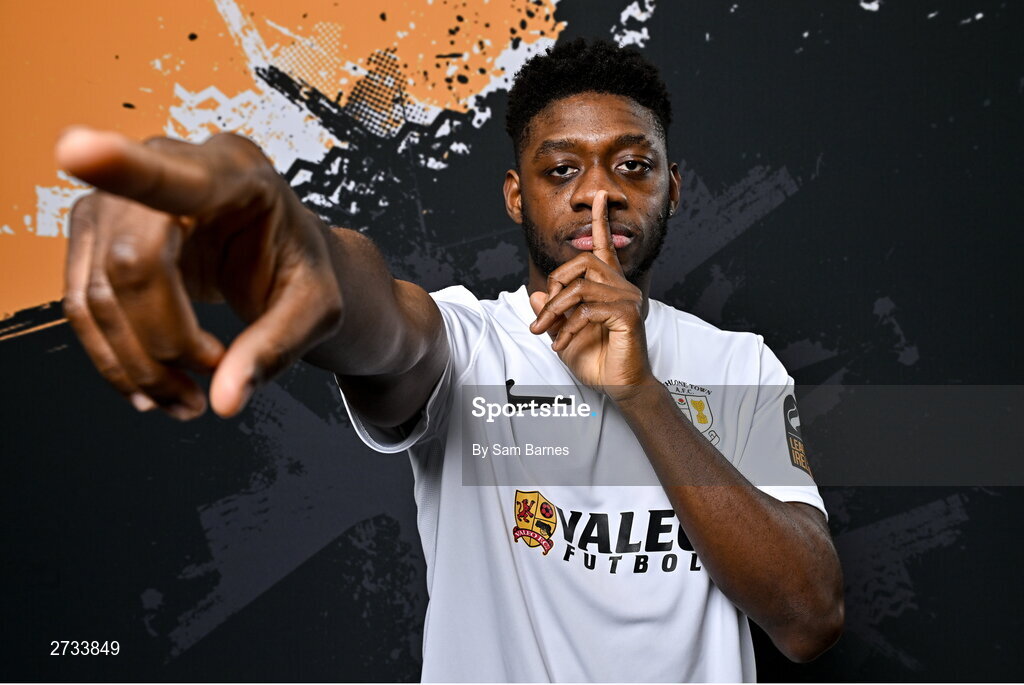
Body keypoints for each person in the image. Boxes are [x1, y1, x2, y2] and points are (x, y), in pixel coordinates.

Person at [57, 38, 842, 682]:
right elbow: (380, 318)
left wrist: (640, 393)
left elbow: (809, 618)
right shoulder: (470, 341)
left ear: (674, 189)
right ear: (515, 194)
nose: (596, 195)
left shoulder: (741, 364)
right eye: (562, 168)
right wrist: (301, 244)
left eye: (632, 166)